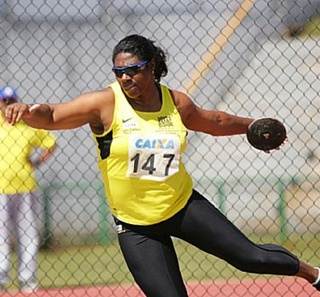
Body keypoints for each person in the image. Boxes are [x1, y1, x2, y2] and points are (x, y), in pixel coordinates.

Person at [3, 34, 320, 297]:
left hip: (182, 206)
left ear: (151, 67)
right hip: (136, 226)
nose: (125, 77)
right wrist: (27, 110)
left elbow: (214, 121)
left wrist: (252, 125)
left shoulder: (176, 103)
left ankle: (315, 275)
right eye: (119, 72)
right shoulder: (105, 104)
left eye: (133, 69)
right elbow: (54, 115)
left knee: (252, 257)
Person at [0, 86, 56, 292]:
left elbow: (51, 143)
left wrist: (37, 162)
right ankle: (1, 278)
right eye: (4, 101)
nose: (8, 105)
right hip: (1, 188)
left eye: (11, 100)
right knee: (2, 235)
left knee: (28, 234)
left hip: (25, 186)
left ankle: (28, 280)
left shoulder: (28, 125)